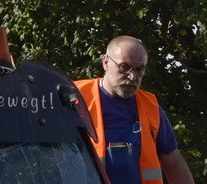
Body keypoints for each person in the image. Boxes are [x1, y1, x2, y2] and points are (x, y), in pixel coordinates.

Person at [75, 36, 195, 184]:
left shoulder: (150, 107)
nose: (132, 76)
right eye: (124, 67)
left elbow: (173, 161)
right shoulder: (74, 98)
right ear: (106, 62)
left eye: (139, 70)